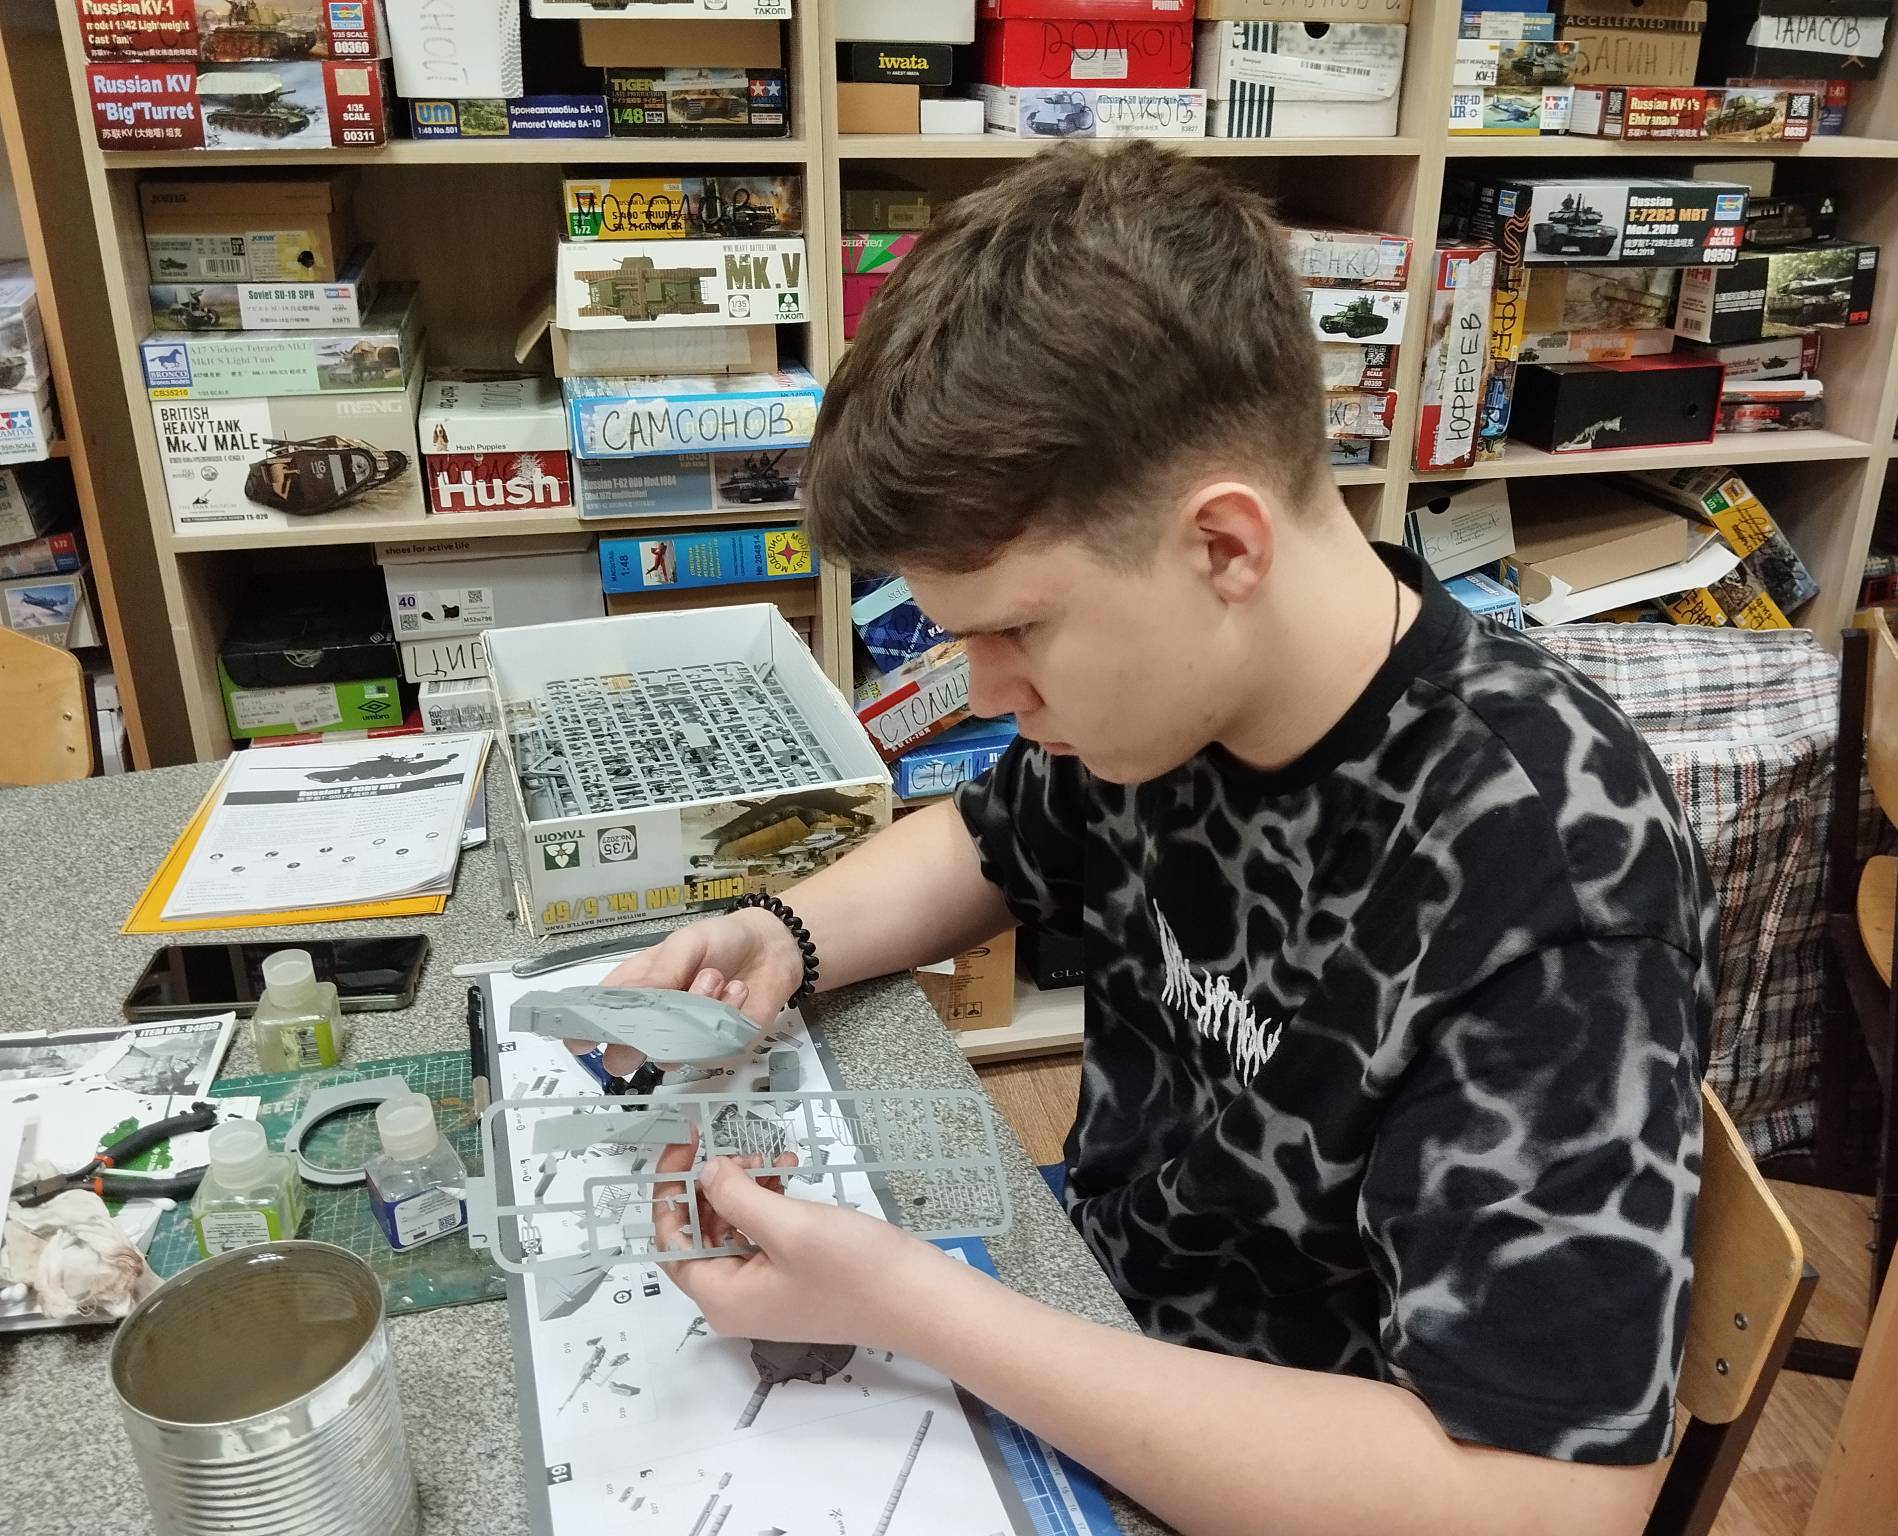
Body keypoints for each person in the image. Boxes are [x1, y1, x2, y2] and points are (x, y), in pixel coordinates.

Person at [601, 143, 1716, 1536]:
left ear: (1225, 547)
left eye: (1016, 629)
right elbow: (990, 844)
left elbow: (1548, 1507)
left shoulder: (1544, 873)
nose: (987, 694)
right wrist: (785, 934)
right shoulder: (1175, 701)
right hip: (1102, 1309)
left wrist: (917, 1306)